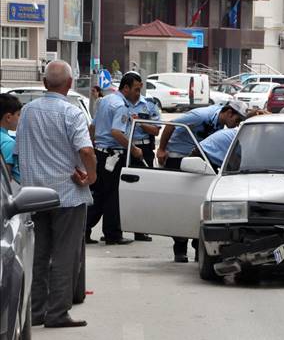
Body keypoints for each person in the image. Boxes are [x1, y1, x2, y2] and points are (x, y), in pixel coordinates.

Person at [16, 60, 97, 327]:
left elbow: (19, 151)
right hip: (67, 194)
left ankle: (36, 311)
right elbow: (86, 150)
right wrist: (92, 176)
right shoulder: (70, 113)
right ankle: (57, 313)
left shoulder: (27, 111)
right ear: (70, 84)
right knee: (64, 254)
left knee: (38, 254)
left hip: (32, 194)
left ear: (44, 83)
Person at [157, 100, 247, 262]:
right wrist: (162, 149)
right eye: (237, 120)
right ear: (228, 113)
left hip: (200, 160)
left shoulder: (221, 124)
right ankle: (180, 248)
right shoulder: (201, 115)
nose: (236, 124)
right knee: (182, 204)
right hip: (178, 158)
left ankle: (197, 245)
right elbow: (170, 125)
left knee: (201, 204)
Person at [86, 72, 144, 245]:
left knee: (101, 194)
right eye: (136, 90)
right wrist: (133, 150)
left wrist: (93, 147)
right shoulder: (120, 106)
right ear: (125, 88)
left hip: (101, 153)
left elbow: (93, 127)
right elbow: (116, 132)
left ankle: (85, 230)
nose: (138, 94)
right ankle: (112, 234)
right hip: (113, 154)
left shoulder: (106, 101)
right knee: (111, 195)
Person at [127, 92, 161, 242]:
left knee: (142, 192)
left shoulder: (149, 104)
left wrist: (139, 122)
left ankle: (140, 231)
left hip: (144, 149)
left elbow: (156, 130)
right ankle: (112, 230)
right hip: (124, 148)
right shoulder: (120, 103)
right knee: (115, 191)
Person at [0, 93, 22, 183]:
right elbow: (4, 180)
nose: (20, 118)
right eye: (18, 115)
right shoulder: (8, 143)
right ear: (8, 117)